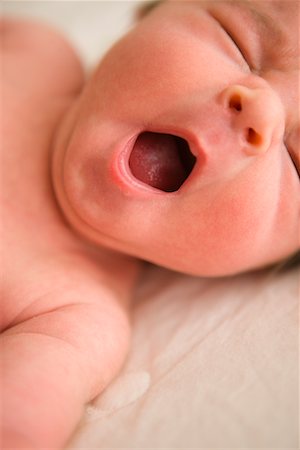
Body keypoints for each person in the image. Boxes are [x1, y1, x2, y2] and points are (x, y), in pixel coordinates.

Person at [1, 0, 299, 448]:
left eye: (297, 162)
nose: (259, 109)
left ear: (263, 265)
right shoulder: (33, 52)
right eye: (238, 41)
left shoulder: (73, 320)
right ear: (145, 16)